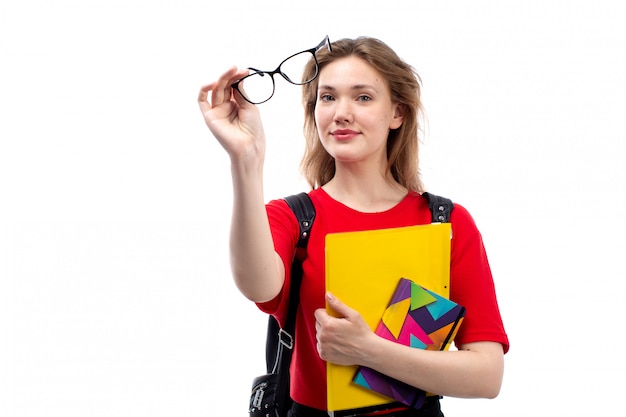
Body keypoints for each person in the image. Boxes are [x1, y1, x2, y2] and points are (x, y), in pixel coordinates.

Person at [198, 36, 509, 417]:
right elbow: (256, 285)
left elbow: (487, 375)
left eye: (362, 97)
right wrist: (246, 160)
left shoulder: (445, 222)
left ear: (397, 113)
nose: (341, 112)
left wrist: (368, 350)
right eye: (327, 97)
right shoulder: (292, 219)